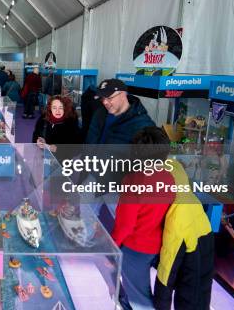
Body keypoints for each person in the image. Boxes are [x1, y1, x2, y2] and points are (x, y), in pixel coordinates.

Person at [111, 127, 175, 310]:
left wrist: (111, 246)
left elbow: (125, 225)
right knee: (140, 290)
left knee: (139, 296)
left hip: (135, 247)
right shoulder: (168, 177)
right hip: (156, 244)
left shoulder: (133, 182)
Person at [153, 158, 214, 310]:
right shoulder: (187, 195)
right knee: (201, 296)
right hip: (206, 244)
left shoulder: (176, 214)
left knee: (189, 301)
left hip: (193, 258)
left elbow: (167, 270)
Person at [86, 79, 155, 144]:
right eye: (102, 98)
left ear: (123, 95)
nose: (105, 102)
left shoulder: (143, 126)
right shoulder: (100, 113)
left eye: (109, 98)